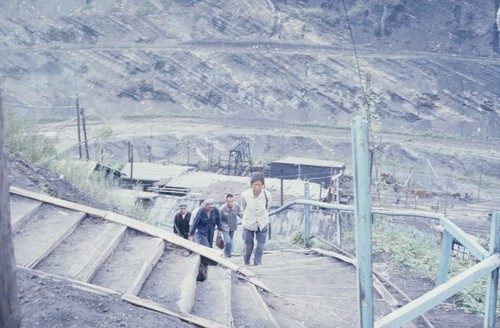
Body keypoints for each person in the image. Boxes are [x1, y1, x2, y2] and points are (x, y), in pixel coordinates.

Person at [241, 172, 272, 266]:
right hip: (249, 223)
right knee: (248, 245)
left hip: (262, 222)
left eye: (260, 185)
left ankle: (257, 263)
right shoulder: (245, 195)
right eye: (255, 185)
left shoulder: (267, 195)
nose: (257, 187)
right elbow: (243, 207)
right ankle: (246, 261)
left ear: (263, 185)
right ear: (251, 184)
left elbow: (267, 207)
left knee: (260, 245)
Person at [219, 193, 242, 258]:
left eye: (232, 201)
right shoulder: (222, 209)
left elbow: (240, 214)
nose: (231, 203)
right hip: (225, 227)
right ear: (226, 201)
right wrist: (219, 231)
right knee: (228, 241)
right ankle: (227, 255)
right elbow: (219, 220)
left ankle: (228, 255)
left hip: (233, 226)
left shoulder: (236, 205)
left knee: (230, 241)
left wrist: (247, 219)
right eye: (229, 202)